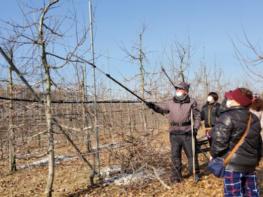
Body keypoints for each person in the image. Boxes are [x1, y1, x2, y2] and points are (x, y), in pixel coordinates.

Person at [210, 88, 262, 197]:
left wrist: (214, 155)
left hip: (233, 166)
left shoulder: (227, 117)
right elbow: (259, 144)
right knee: (252, 193)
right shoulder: (255, 118)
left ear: (237, 101)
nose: (228, 99)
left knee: (233, 194)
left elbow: (218, 143)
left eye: (231, 97)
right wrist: (255, 160)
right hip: (250, 165)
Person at [146, 81, 201, 183]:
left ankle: (195, 173)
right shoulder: (170, 102)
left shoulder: (192, 102)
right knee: (175, 156)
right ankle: (176, 177)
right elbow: (160, 108)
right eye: (177, 89)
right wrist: (152, 106)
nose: (177, 90)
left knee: (191, 155)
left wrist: (196, 128)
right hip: (174, 134)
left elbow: (197, 117)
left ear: (185, 91)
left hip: (187, 133)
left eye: (180, 89)